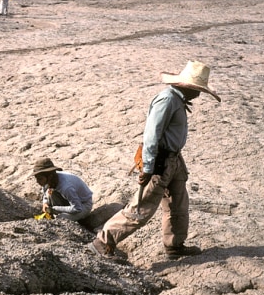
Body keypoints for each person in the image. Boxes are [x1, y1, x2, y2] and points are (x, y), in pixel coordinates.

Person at [88, 61, 221, 260]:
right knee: (142, 207)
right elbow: (151, 135)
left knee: (178, 205)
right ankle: (103, 242)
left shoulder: (177, 100)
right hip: (161, 162)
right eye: (198, 90)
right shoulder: (167, 100)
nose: (199, 94)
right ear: (187, 86)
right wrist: (148, 168)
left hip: (174, 161)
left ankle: (175, 245)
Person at [32, 157, 93, 222]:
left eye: (40, 178)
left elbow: (77, 208)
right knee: (51, 193)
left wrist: (55, 208)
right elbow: (45, 195)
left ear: (50, 176)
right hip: (69, 201)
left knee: (60, 219)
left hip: (83, 205)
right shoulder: (47, 181)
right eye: (37, 178)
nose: (37, 181)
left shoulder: (66, 187)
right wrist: (45, 203)